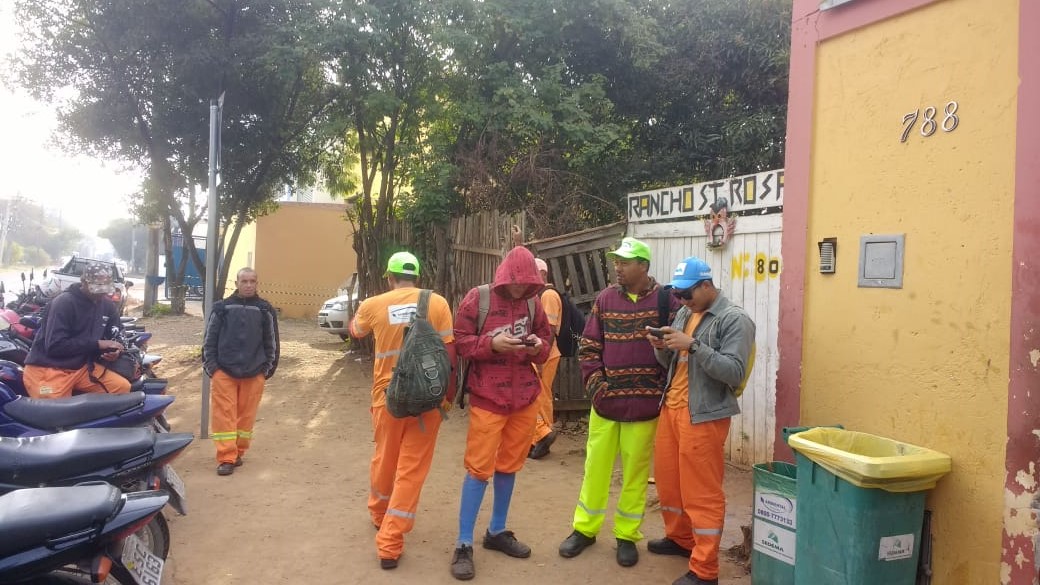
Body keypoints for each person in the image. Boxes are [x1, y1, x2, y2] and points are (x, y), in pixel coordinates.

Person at [557, 237, 679, 568]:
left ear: (643, 266)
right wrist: (597, 387)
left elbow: (678, 352)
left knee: (636, 474)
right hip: (606, 405)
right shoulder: (606, 299)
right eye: (616, 262)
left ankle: (626, 535)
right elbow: (589, 347)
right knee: (594, 469)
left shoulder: (666, 302)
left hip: (645, 407)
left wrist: (658, 388)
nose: (618, 268)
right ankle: (585, 529)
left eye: (624, 262)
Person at [647, 256, 755, 585]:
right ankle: (681, 540)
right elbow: (673, 363)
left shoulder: (734, 319)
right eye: (677, 294)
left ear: (707, 286)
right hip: (672, 409)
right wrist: (661, 346)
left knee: (701, 493)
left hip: (703, 416)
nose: (682, 300)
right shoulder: (685, 312)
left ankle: (705, 570)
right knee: (670, 485)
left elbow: (733, 371)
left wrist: (693, 346)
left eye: (687, 293)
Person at [449, 246, 553, 581]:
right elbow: (460, 341)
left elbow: (546, 342)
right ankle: (463, 543)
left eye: (527, 283)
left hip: (525, 398)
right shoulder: (478, 299)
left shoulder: (534, 303)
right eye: (517, 282)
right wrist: (491, 345)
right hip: (488, 398)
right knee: (478, 469)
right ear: (505, 277)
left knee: (509, 465)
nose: (521, 288)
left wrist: (538, 346)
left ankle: (496, 531)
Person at [349, 251, 457, 570]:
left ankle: (379, 514)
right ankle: (390, 542)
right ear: (418, 278)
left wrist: (362, 312)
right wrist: (447, 396)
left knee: (385, 459)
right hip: (428, 401)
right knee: (412, 470)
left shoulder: (373, 305)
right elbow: (450, 354)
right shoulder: (437, 303)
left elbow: (355, 331)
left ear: (389, 277)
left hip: (387, 399)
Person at [203, 267, 280, 477]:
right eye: (244, 281)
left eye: (252, 281)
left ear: (257, 283)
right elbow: (209, 340)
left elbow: (272, 342)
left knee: (246, 418)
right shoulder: (221, 308)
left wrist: (266, 370)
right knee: (224, 416)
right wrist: (213, 368)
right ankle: (226, 457)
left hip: (254, 373)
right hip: (224, 372)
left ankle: (238, 452)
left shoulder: (265, 310)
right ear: (236, 283)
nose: (248, 285)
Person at [23, 262, 130, 398]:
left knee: (121, 388)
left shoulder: (107, 306)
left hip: (81, 367)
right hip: (49, 368)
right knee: (56, 409)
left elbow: (117, 333)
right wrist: (97, 344)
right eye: (97, 288)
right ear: (83, 282)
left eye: (105, 288)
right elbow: (55, 346)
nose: (102, 293)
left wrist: (116, 351)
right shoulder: (64, 303)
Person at [529, 257, 561, 459]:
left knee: (538, 397)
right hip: (545, 353)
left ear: (542, 274)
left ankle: (543, 435)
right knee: (542, 396)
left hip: (545, 354)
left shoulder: (548, 295)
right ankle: (541, 438)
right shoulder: (543, 295)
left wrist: (540, 357)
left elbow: (548, 330)